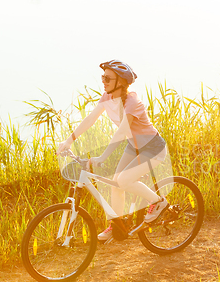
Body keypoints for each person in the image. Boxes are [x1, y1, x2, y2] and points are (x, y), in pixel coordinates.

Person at [56, 60, 169, 241]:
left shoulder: (132, 101)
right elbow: (90, 120)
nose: (104, 81)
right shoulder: (107, 97)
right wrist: (68, 141)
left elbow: (122, 130)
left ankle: (158, 202)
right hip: (134, 146)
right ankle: (118, 225)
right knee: (117, 184)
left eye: (108, 78)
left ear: (121, 82)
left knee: (123, 180)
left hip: (153, 148)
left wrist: (102, 157)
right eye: (103, 77)